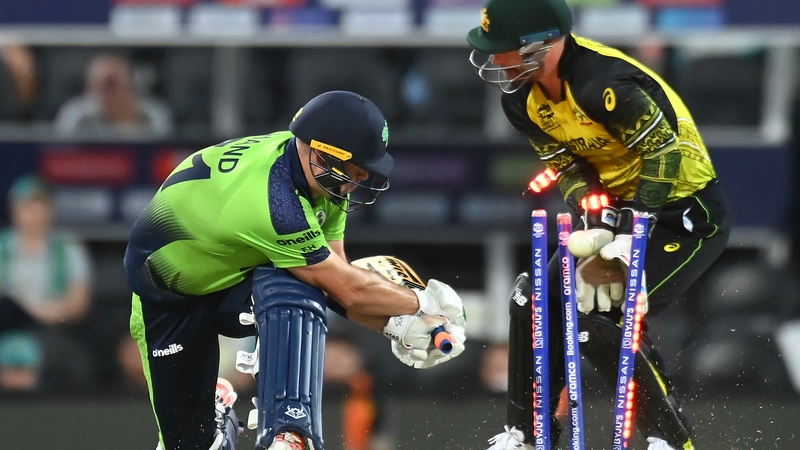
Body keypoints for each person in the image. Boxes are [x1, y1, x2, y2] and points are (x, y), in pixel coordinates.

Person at [123, 90, 467, 450]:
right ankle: (219, 420)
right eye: (352, 173)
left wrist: (395, 325)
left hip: (231, 272)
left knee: (293, 281)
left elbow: (334, 280)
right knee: (191, 445)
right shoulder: (274, 200)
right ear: (322, 153)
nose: (352, 185)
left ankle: (289, 429)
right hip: (167, 295)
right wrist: (418, 303)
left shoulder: (319, 179)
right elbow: (345, 287)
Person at [466, 1, 731, 449]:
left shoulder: (603, 83)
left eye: (502, 48)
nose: (494, 59)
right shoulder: (520, 101)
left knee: (601, 315)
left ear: (541, 45)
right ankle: (529, 434)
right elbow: (567, 167)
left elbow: (665, 155)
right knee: (533, 301)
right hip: (619, 211)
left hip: (684, 215)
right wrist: (598, 215)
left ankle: (670, 441)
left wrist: (632, 225)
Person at [0, 175, 93, 333]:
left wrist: (52, 312)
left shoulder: (68, 247)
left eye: (40, 207)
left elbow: (79, 304)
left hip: (52, 327)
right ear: (14, 211)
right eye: (28, 207)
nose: (35, 214)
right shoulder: (2, 246)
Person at [54, 53, 173, 138]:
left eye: (111, 84)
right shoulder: (76, 117)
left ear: (130, 85)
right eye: (96, 85)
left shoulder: (153, 116)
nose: (102, 92)